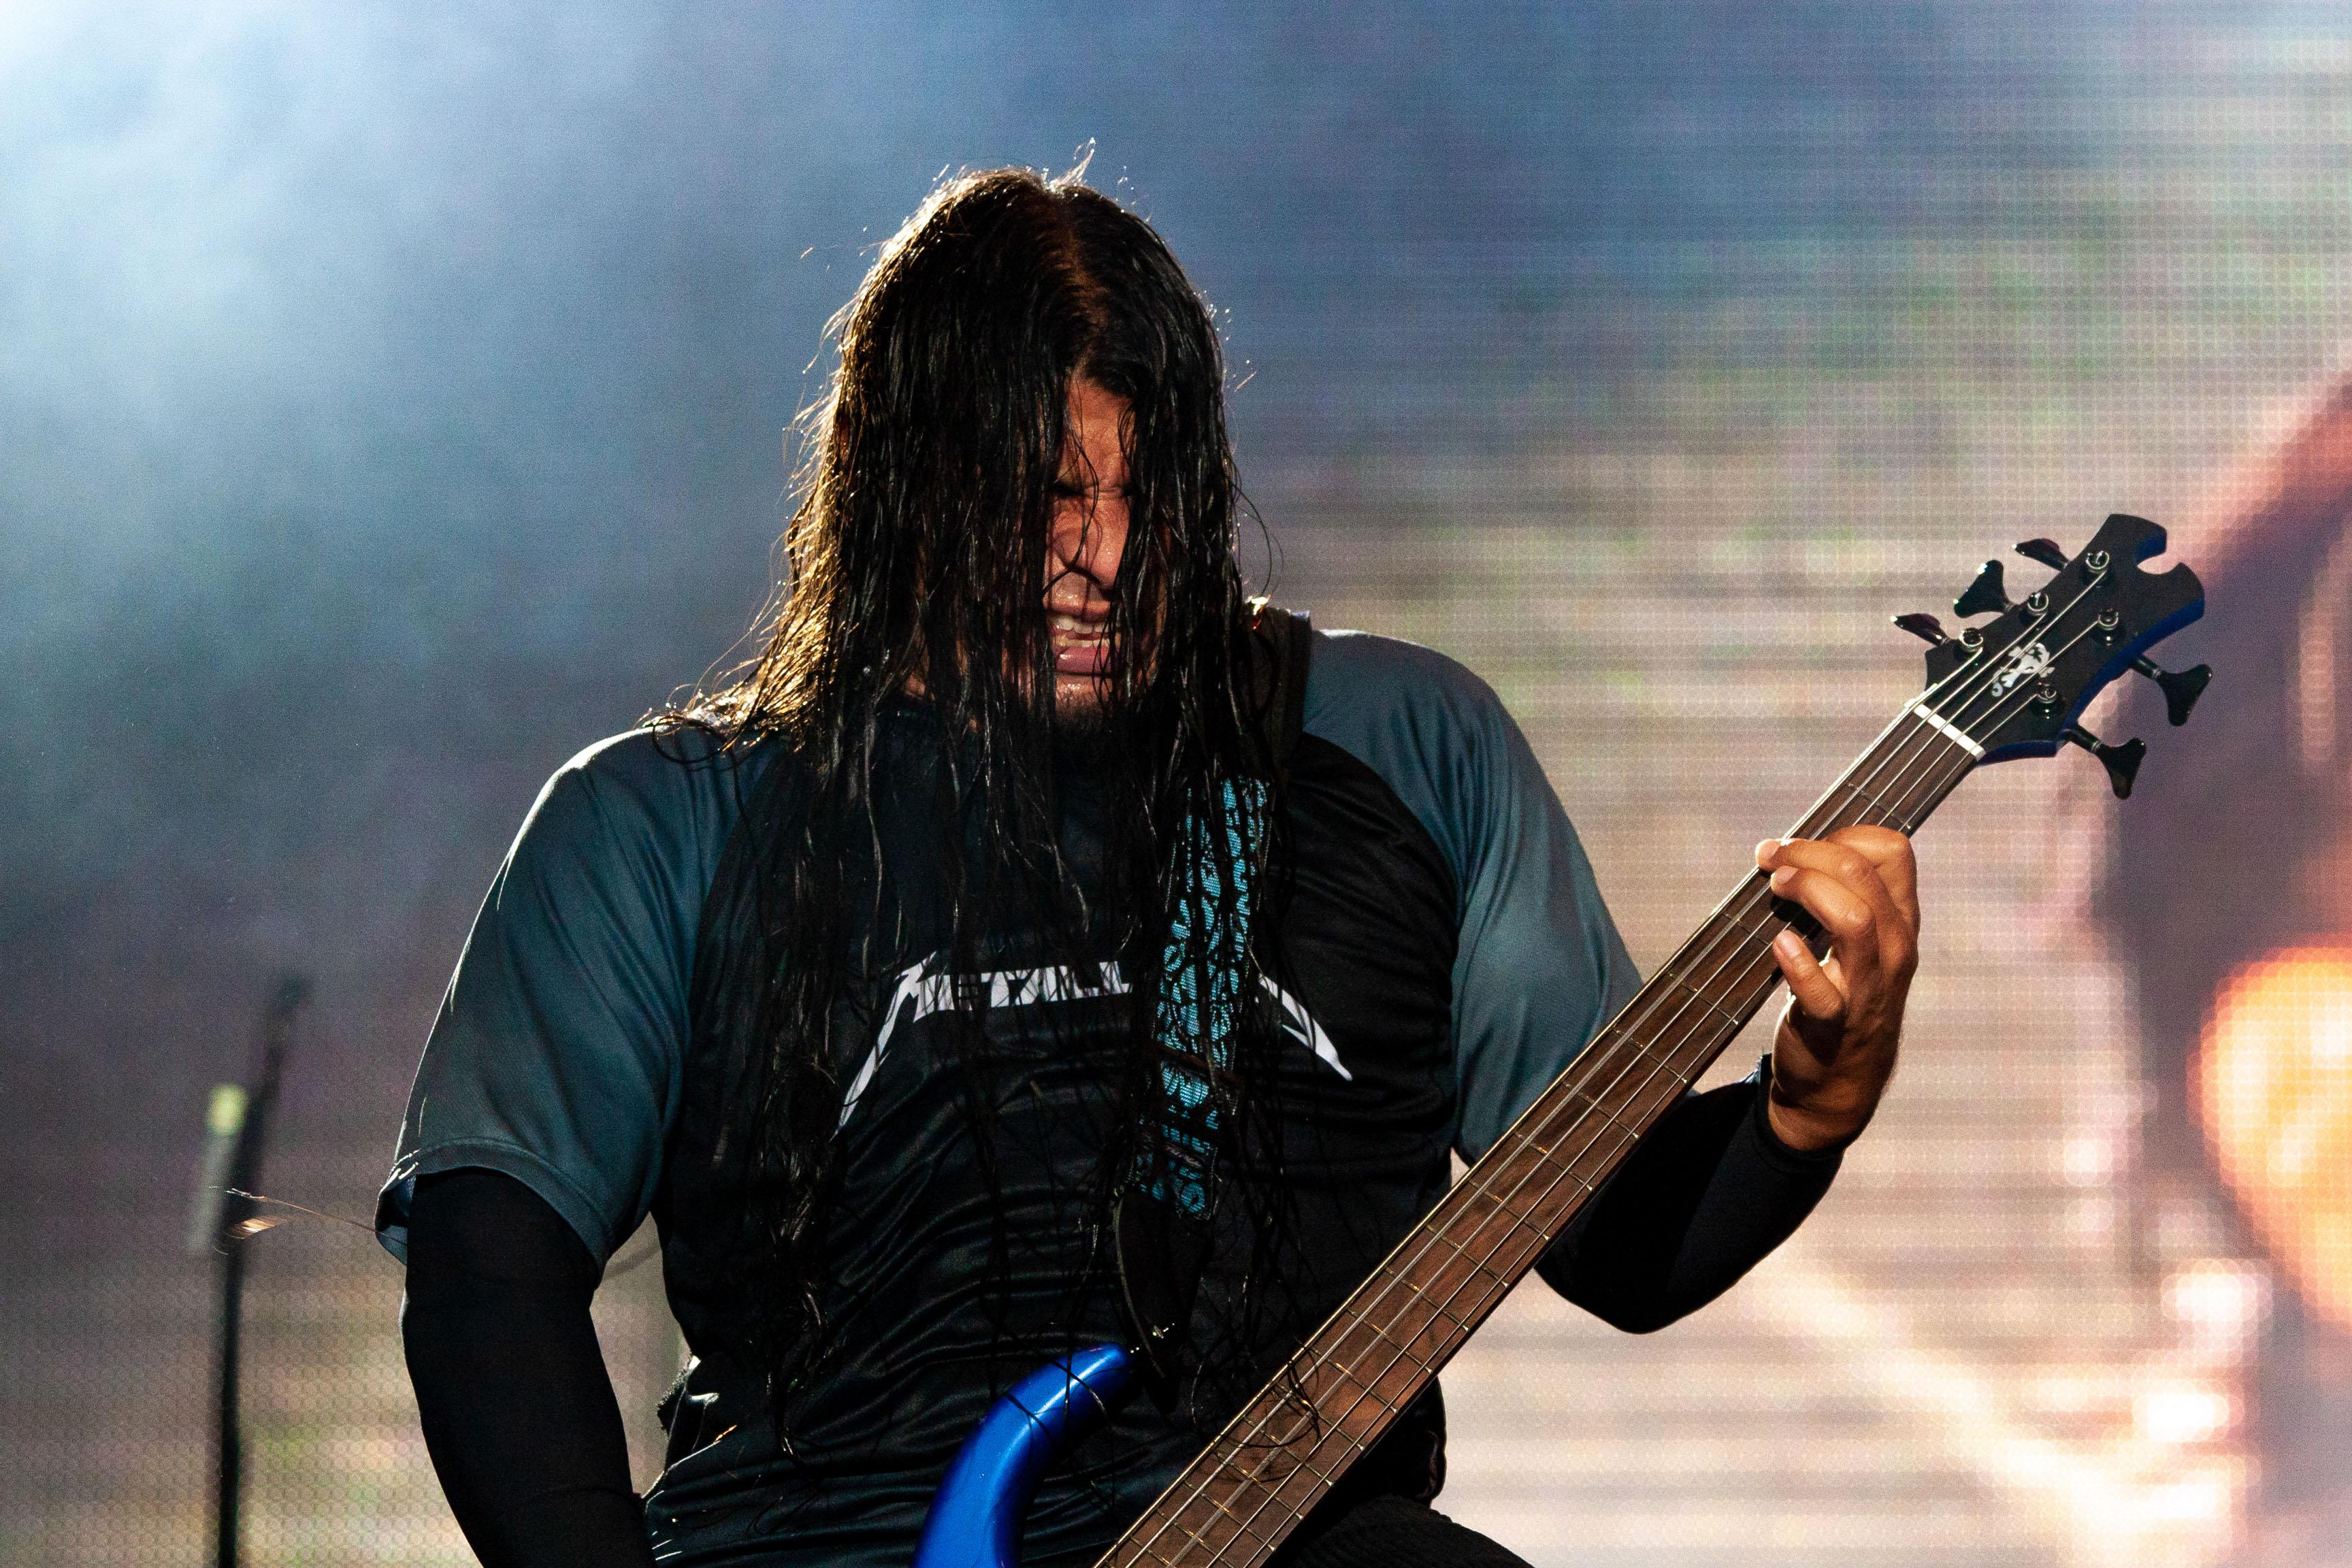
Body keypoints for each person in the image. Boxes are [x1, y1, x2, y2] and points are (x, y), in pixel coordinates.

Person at [378, 166, 1920, 1568]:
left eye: (1147, 496)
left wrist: (1814, 1097)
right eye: (1050, 494)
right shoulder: (661, 823)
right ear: (903, 483)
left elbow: (1620, 1242)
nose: (1105, 555)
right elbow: (486, 1275)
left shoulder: (1399, 746)